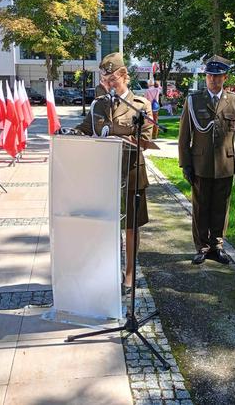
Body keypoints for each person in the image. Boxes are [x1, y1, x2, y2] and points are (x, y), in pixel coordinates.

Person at [75, 52, 153, 293]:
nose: (108, 85)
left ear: (124, 77)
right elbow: (86, 129)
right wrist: (69, 133)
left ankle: (129, 273)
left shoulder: (140, 105)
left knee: (130, 226)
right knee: (105, 226)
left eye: (113, 81)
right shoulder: (98, 105)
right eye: (105, 81)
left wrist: (124, 138)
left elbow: (147, 138)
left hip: (130, 172)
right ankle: (107, 269)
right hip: (103, 175)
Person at [178, 55, 235, 265]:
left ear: (225, 78)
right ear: (205, 77)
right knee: (200, 208)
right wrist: (186, 164)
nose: (213, 80)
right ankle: (202, 247)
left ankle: (217, 246)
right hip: (200, 164)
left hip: (226, 164)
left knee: (221, 207)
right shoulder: (194, 100)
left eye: (217, 77)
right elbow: (184, 135)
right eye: (209, 76)